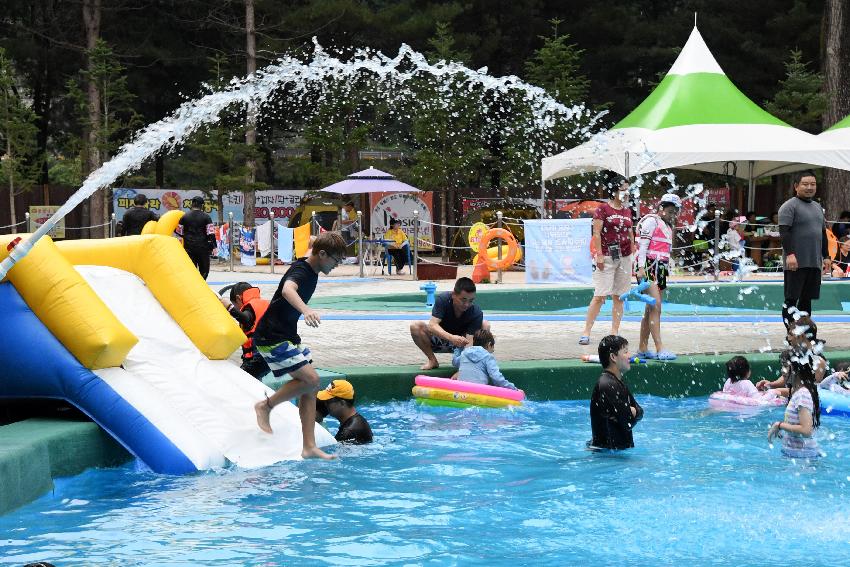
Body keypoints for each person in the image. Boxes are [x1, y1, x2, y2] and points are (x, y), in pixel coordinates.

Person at [252, 231, 348, 459]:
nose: (336, 266)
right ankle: (266, 406)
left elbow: (313, 243)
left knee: (310, 386)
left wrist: (319, 238)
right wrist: (306, 310)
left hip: (286, 334)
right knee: (312, 379)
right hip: (271, 335)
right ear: (323, 255)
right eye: (335, 260)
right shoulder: (301, 271)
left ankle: (309, 447)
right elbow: (287, 290)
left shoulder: (312, 261)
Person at [579, 177, 635, 345]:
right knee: (600, 296)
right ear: (615, 190)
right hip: (607, 257)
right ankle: (586, 331)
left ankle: (614, 332)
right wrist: (600, 254)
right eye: (624, 189)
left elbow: (630, 232)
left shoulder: (627, 211)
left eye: (628, 189)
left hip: (624, 257)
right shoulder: (603, 209)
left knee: (619, 296)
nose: (627, 193)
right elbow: (596, 233)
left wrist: (633, 251)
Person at [778, 171, 832, 329]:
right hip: (795, 262)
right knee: (791, 299)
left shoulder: (817, 207)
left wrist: (826, 256)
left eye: (813, 184)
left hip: (813, 261)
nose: (809, 187)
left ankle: (805, 334)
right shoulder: (789, 206)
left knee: (806, 299)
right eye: (805, 184)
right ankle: (792, 334)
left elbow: (822, 233)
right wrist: (790, 255)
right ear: (796, 186)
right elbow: (784, 232)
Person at [634, 193, 681, 361]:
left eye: (675, 212)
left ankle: (642, 348)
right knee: (656, 306)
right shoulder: (651, 221)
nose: (672, 215)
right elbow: (642, 246)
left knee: (649, 309)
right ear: (661, 208)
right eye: (669, 211)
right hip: (647, 266)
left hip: (659, 269)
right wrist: (640, 269)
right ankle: (659, 347)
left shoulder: (667, 226)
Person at [410, 277, 488, 371]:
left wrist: (463, 368)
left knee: (485, 325)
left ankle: (478, 364)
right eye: (463, 300)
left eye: (470, 301)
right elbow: (432, 325)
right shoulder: (443, 299)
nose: (467, 304)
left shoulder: (476, 312)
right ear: (453, 295)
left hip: (461, 344)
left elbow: (469, 342)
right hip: (440, 340)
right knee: (415, 326)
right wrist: (451, 338)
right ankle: (432, 360)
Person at [588, 335, 643, 450]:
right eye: (625, 352)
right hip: (607, 456)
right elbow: (628, 421)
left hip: (615, 454)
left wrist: (633, 411)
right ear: (613, 356)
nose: (630, 356)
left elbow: (639, 411)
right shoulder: (607, 384)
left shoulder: (617, 381)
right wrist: (631, 411)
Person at [768, 360, 821, 459]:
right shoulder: (797, 392)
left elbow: (806, 430)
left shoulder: (803, 394)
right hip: (796, 457)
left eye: (785, 366)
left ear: (796, 369)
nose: (782, 371)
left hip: (804, 459)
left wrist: (779, 425)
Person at [219, 282, 271, 380]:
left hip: (257, 358)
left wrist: (230, 307)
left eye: (236, 305)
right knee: (255, 381)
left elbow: (246, 319)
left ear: (238, 298)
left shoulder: (250, 308)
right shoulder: (265, 304)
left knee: (239, 381)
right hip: (269, 356)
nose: (239, 309)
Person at [315, 380, 373, 444]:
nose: (325, 404)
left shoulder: (348, 432)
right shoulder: (359, 420)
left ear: (342, 403)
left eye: (328, 401)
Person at [177, 196, 216, 280]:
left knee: (191, 269)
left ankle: (192, 286)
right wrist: (214, 246)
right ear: (202, 205)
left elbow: (179, 232)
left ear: (192, 204)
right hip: (203, 247)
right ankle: (202, 285)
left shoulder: (184, 217)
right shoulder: (206, 217)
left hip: (188, 247)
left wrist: (186, 236)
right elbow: (211, 233)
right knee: (204, 270)